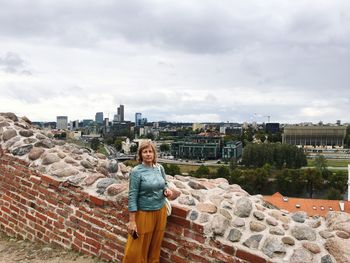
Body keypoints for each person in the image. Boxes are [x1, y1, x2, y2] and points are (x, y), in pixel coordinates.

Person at [123, 141, 172, 263]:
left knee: (156, 244)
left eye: (150, 151)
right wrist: (132, 221)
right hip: (144, 212)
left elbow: (164, 183)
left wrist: (166, 190)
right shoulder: (136, 171)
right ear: (140, 155)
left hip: (161, 210)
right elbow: (132, 195)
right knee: (138, 246)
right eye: (145, 152)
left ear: (154, 154)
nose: (148, 154)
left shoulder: (159, 168)